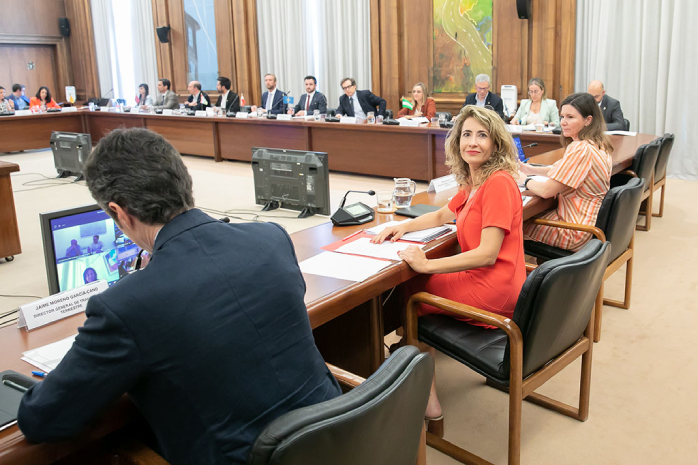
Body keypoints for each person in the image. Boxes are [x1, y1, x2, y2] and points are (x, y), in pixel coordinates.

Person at [18, 128, 341, 465]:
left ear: (119, 212)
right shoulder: (270, 237)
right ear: (184, 181)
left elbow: (43, 420)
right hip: (336, 440)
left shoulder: (126, 305)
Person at [372, 106, 525, 429]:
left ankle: (425, 395)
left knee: (412, 288)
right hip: (493, 279)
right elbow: (443, 216)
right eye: (466, 134)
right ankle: (411, 348)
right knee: (413, 286)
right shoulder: (476, 180)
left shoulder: (498, 183)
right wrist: (402, 228)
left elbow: (486, 254)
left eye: (482, 135)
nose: (473, 142)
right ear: (456, 141)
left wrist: (428, 264)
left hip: (494, 287)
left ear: (496, 143)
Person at [519, 92, 613, 251]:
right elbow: (562, 169)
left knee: (509, 225)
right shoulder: (598, 144)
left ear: (588, 120)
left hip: (574, 230)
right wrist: (528, 169)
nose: (563, 122)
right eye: (562, 116)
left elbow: (546, 191)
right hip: (587, 223)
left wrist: (523, 179)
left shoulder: (580, 149)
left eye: (570, 117)